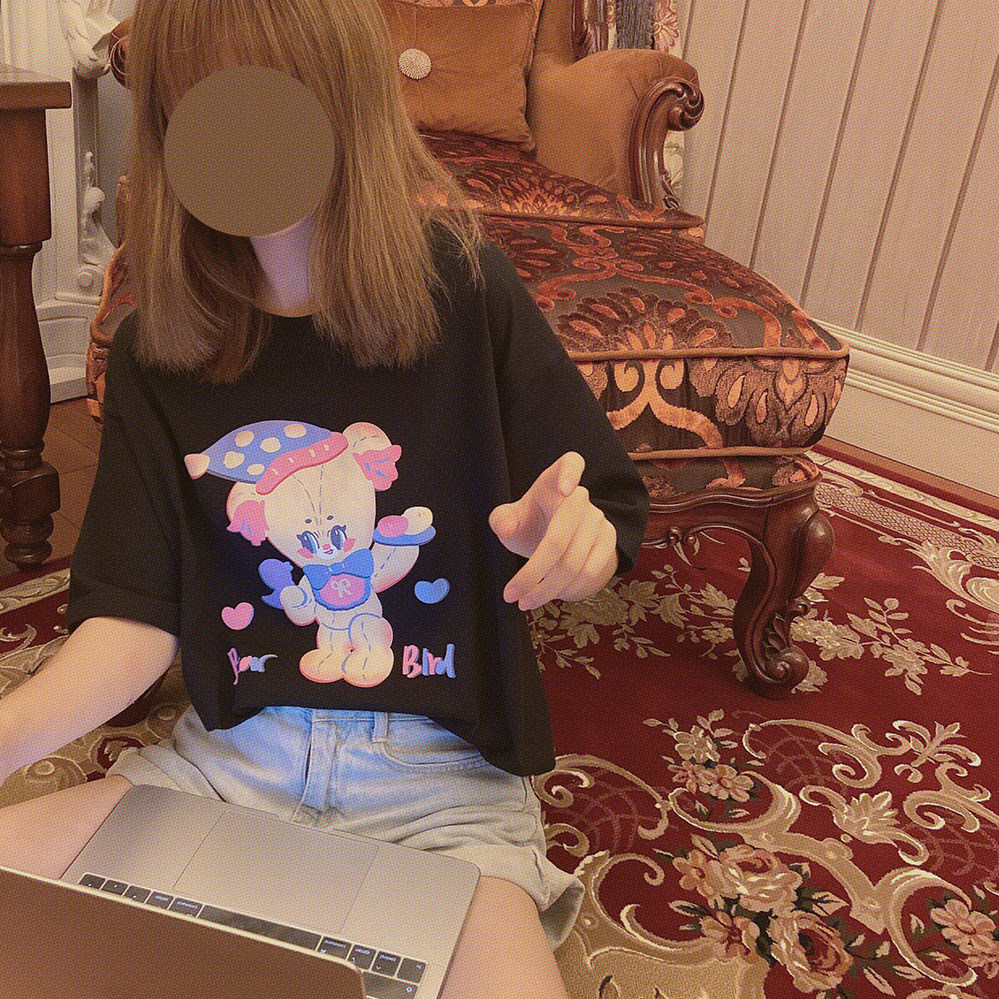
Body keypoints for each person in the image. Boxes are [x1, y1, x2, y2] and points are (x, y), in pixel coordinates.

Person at [0, 2, 649, 995]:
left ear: (349, 98)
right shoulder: (154, 352)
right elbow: (133, 617)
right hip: (227, 767)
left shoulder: (469, 291)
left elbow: (601, 503)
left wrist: (573, 536)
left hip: (449, 791)